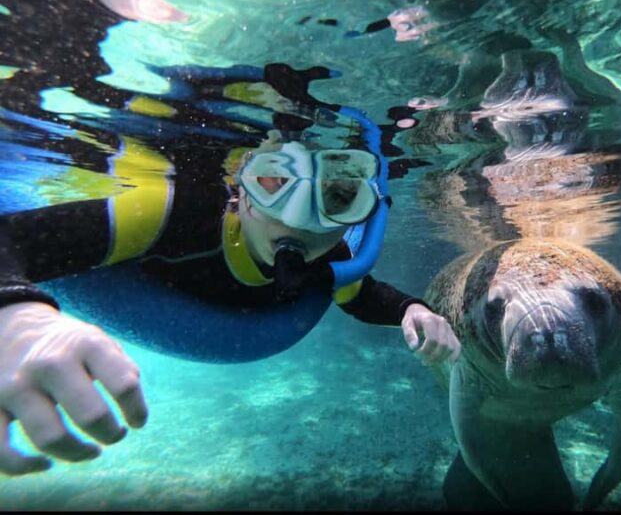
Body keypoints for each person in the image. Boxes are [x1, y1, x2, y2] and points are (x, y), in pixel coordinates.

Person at [0, 82, 461, 476]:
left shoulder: (331, 258)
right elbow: (13, 241)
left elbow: (362, 295)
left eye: (339, 195)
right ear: (240, 189)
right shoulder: (171, 212)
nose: (303, 221)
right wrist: (16, 317)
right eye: (275, 184)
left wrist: (412, 309)